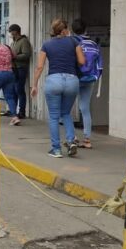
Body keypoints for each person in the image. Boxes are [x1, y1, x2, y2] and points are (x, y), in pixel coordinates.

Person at [31, 19, 85, 158]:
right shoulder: (74, 41)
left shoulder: (47, 45)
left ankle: (56, 150)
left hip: (54, 81)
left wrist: (34, 85)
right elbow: (82, 61)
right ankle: (71, 140)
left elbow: (39, 67)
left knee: (54, 116)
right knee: (66, 113)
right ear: (65, 29)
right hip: (72, 80)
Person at [72, 20, 102, 149]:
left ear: (73, 30)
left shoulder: (72, 42)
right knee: (85, 109)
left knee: (67, 109)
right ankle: (87, 139)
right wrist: (95, 77)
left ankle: (72, 137)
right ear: (85, 29)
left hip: (75, 78)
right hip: (89, 79)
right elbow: (100, 66)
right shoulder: (94, 44)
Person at [9, 24, 32, 119]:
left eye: (11, 31)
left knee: (19, 89)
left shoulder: (24, 41)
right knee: (14, 90)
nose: (10, 33)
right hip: (14, 68)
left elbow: (27, 54)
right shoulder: (13, 42)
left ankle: (22, 111)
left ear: (15, 31)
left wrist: (15, 57)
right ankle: (13, 111)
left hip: (21, 68)